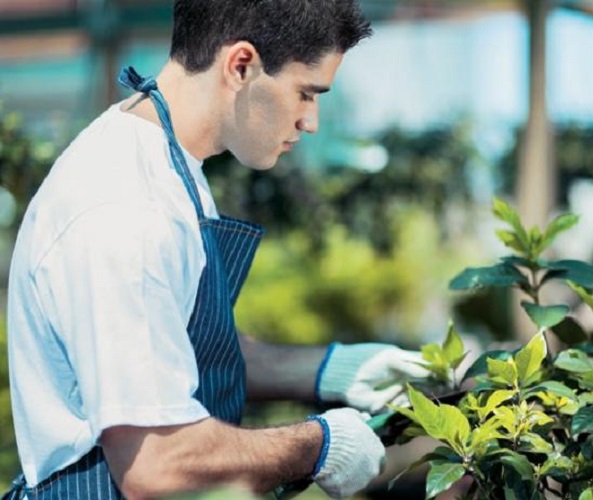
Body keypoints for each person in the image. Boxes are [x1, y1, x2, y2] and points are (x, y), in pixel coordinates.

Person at [3, 0, 433, 498]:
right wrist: (316, 445)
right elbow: (156, 464)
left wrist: (333, 368)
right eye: (305, 93)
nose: (310, 121)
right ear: (242, 65)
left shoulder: (163, 161)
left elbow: (176, 348)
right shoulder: (126, 211)